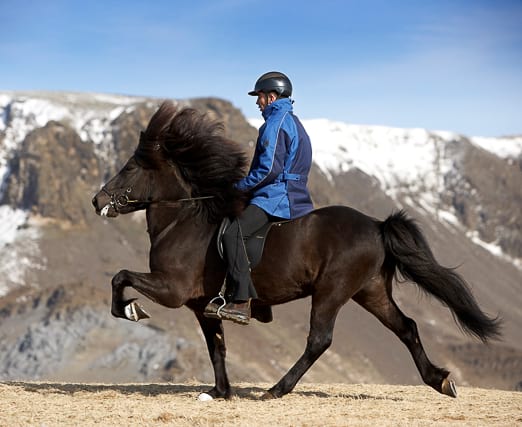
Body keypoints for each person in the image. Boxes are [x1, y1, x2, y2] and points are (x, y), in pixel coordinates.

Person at [208, 71, 314, 325]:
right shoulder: (294, 121)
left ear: (272, 96)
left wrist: (239, 187)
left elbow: (268, 170)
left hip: (276, 196)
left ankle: (242, 301)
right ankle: (262, 305)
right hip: (295, 194)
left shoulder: (275, 124)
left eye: (260, 97)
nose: (257, 103)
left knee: (232, 234)